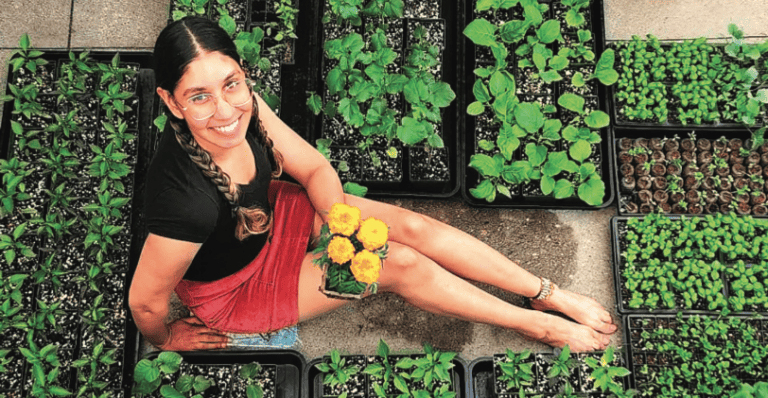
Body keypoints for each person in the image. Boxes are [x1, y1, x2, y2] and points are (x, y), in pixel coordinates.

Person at [128, 17, 617, 353]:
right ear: (172, 102)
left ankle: (544, 291)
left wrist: (338, 224)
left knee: (410, 226)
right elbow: (146, 300)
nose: (225, 110)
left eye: (231, 83)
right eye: (199, 97)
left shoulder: (245, 106)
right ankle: (537, 324)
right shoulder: (185, 204)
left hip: (274, 219)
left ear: (243, 76)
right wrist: (165, 337)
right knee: (399, 264)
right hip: (238, 289)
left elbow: (316, 169)